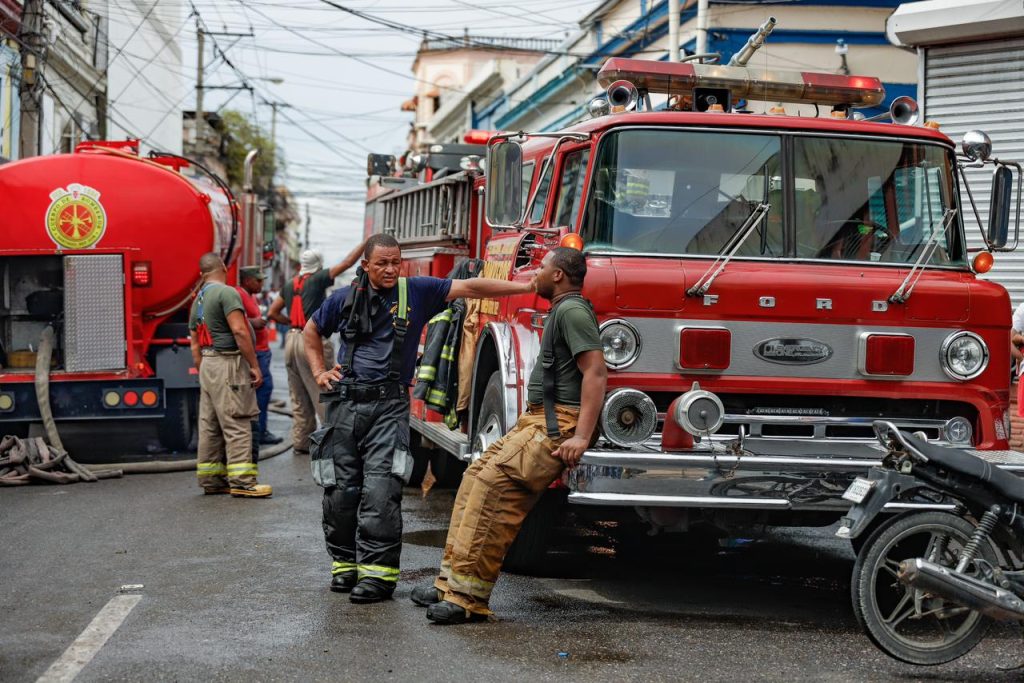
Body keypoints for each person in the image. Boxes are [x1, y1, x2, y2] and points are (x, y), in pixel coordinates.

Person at [304, 233, 534, 603]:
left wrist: (526, 285)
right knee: (340, 492)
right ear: (366, 265)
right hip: (344, 405)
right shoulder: (343, 300)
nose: (392, 269)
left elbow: (472, 285)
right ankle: (345, 566)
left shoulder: (418, 292)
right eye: (383, 263)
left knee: (381, 491)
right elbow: (311, 331)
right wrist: (319, 372)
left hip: (388, 406)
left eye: (396, 262)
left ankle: (378, 577)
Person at [409, 247, 606, 623]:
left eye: (543, 268)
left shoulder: (573, 311)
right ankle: (449, 583)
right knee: (475, 476)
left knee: (495, 489)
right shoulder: (563, 309)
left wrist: (580, 437)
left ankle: (467, 598)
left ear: (559, 276)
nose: (537, 274)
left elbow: (595, 372)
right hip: (540, 420)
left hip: (558, 424)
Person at [268, 241, 366, 456]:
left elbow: (273, 312)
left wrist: (291, 324)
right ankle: (333, 442)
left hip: (292, 341)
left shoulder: (290, 283)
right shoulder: (318, 278)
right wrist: (367, 243)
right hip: (310, 340)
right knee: (325, 391)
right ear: (318, 265)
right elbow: (347, 262)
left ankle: (302, 442)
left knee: (299, 395)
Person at [188, 253, 271, 498]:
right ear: (223, 267)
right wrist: (253, 365)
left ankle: (212, 480)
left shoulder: (198, 298)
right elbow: (239, 330)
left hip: (208, 363)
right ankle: (243, 482)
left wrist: (204, 368)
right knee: (238, 421)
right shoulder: (226, 293)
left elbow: (194, 342)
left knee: (210, 424)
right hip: (228, 362)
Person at [236, 266, 282, 445]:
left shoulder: (251, 296)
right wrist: (252, 322)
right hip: (257, 353)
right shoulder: (238, 295)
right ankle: (258, 431)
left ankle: (258, 429)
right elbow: (234, 320)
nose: (262, 284)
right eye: (258, 280)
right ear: (248, 281)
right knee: (263, 388)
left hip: (262, 351)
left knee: (263, 390)